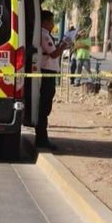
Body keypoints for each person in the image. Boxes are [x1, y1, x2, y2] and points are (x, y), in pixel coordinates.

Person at [37, 10, 71, 150]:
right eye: (51, 21)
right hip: (46, 74)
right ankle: (41, 140)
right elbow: (53, 54)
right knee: (44, 108)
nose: (53, 24)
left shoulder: (45, 34)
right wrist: (64, 44)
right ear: (45, 21)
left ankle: (42, 138)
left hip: (48, 73)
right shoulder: (44, 35)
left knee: (45, 107)